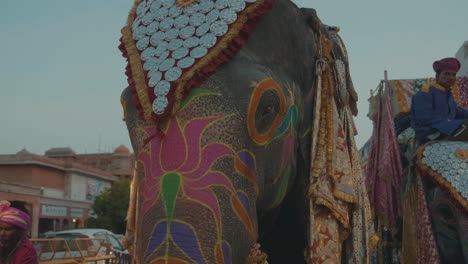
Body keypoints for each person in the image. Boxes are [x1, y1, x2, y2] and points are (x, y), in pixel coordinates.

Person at [410, 57, 468, 144]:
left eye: (453, 75)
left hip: (448, 129)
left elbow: (458, 112)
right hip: (429, 134)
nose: (451, 78)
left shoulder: (448, 94)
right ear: (437, 76)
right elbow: (425, 120)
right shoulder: (424, 94)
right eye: (447, 74)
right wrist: (452, 124)